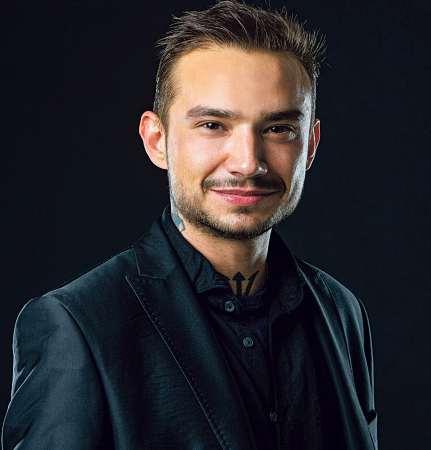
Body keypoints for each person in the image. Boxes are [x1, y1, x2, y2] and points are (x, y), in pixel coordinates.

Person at [1, 1, 378, 449]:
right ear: (157, 140)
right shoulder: (77, 325)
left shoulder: (342, 313)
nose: (247, 163)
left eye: (278, 128)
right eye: (213, 125)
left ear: (310, 146)